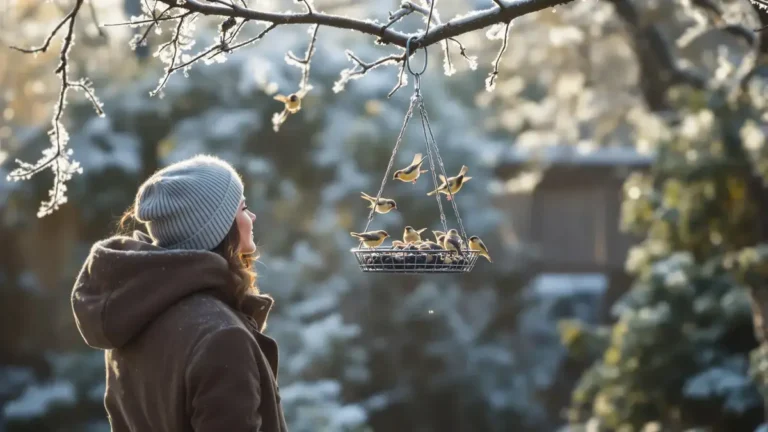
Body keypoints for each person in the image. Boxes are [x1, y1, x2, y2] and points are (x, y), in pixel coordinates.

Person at [71, 154, 287, 431]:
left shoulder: (135, 316)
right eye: (243, 208)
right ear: (219, 228)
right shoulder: (222, 337)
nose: (252, 216)